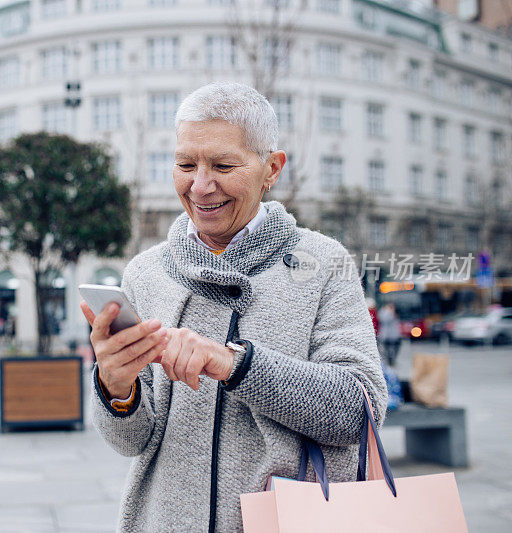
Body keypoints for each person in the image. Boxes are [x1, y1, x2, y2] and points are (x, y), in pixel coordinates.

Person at [80, 82, 387, 533]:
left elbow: (358, 413)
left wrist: (234, 364)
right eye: (185, 164)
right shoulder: (145, 273)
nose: (201, 186)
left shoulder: (323, 263)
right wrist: (117, 387)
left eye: (223, 165)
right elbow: (131, 442)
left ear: (272, 168)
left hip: (293, 520)